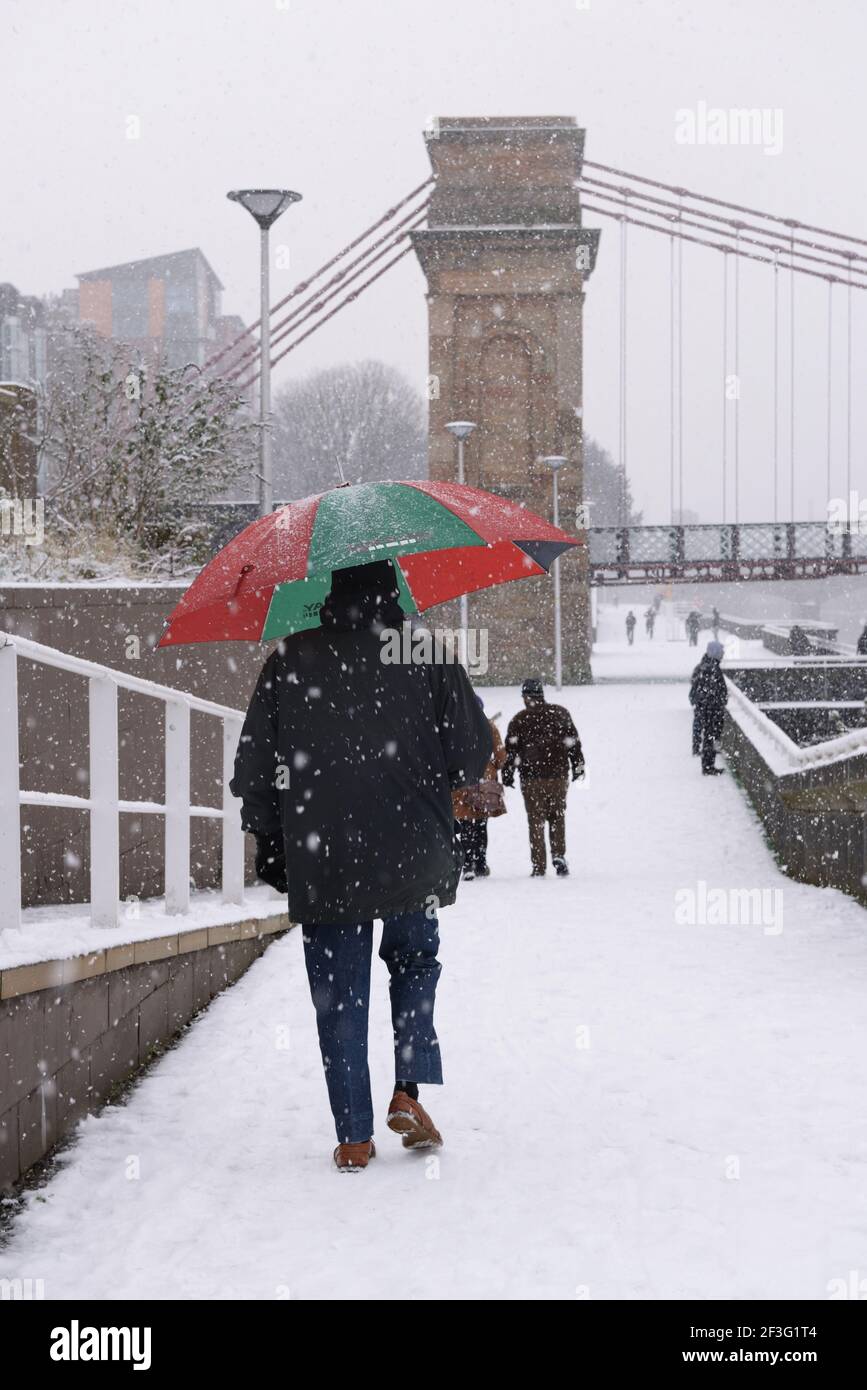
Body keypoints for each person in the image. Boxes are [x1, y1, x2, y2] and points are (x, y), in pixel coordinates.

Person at [231, 559, 491, 1172]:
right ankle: (408, 1089)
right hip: (415, 850)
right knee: (414, 962)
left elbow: (252, 768)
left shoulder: (291, 658)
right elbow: (472, 750)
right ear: (394, 587)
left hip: (325, 858)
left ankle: (353, 1136)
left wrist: (269, 837)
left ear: (330, 588)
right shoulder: (425, 651)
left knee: (339, 995)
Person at [502, 678, 585, 876]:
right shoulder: (560, 713)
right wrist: (578, 767)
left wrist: (507, 774)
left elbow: (511, 751)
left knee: (535, 820)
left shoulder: (519, 720)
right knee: (557, 816)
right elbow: (573, 744)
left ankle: (539, 865)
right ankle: (558, 854)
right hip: (558, 775)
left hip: (531, 777)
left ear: (525, 697)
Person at [452, 696, 507, 880]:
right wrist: (493, 766)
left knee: (466, 824)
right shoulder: (489, 727)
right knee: (481, 825)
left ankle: (467, 864)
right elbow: (501, 756)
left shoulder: (456, 728)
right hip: (484, 781)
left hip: (462, 781)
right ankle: (481, 863)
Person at [689, 639, 728, 775]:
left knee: (708, 736)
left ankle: (707, 764)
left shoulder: (704, 666)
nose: (723, 654)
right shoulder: (711, 669)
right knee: (710, 737)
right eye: (721, 651)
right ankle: (708, 766)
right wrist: (718, 703)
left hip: (707, 708)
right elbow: (714, 691)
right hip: (711, 710)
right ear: (715, 652)